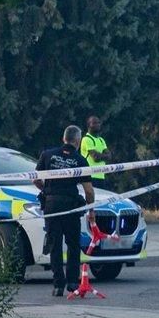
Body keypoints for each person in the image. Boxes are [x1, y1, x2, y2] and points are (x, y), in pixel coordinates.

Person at [35, 125, 95, 297]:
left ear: (64, 139)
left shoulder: (47, 155)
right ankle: (73, 283)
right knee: (73, 245)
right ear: (77, 141)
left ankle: (58, 285)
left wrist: (46, 190)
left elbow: (35, 179)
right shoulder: (80, 160)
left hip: (51, 205)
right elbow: (89, 191)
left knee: (54, 245)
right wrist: (91, 210)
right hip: (70, 206)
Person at [82, 115, 109, 183]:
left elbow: (109, 156)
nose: (97, 125)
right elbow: (96, 158)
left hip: (101, 176)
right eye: (94, 123)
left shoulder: (101, 140)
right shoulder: (86, 139)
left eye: (98, 123)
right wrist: (103, 155)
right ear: (88, 125)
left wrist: (100, 155)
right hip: (89, 176)